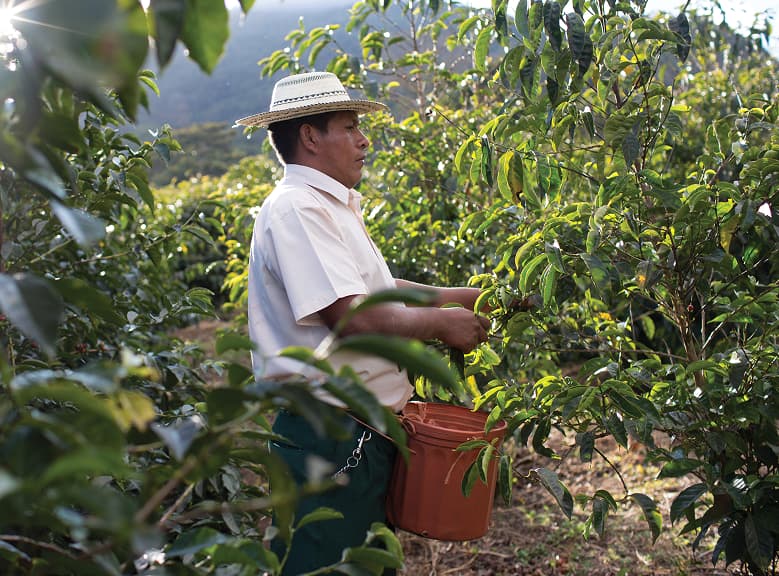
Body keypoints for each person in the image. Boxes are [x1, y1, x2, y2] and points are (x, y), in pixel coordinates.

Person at [235, 71, 490, 574]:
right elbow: (352, 318)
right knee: (325, 563)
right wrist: (442, 325)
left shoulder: (332, 206)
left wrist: (465, 298)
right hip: (329, 437)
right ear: (310, 136)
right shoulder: (297, 209)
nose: (364, 139)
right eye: (349, 127)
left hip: (362, 432)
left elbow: (380, 292)